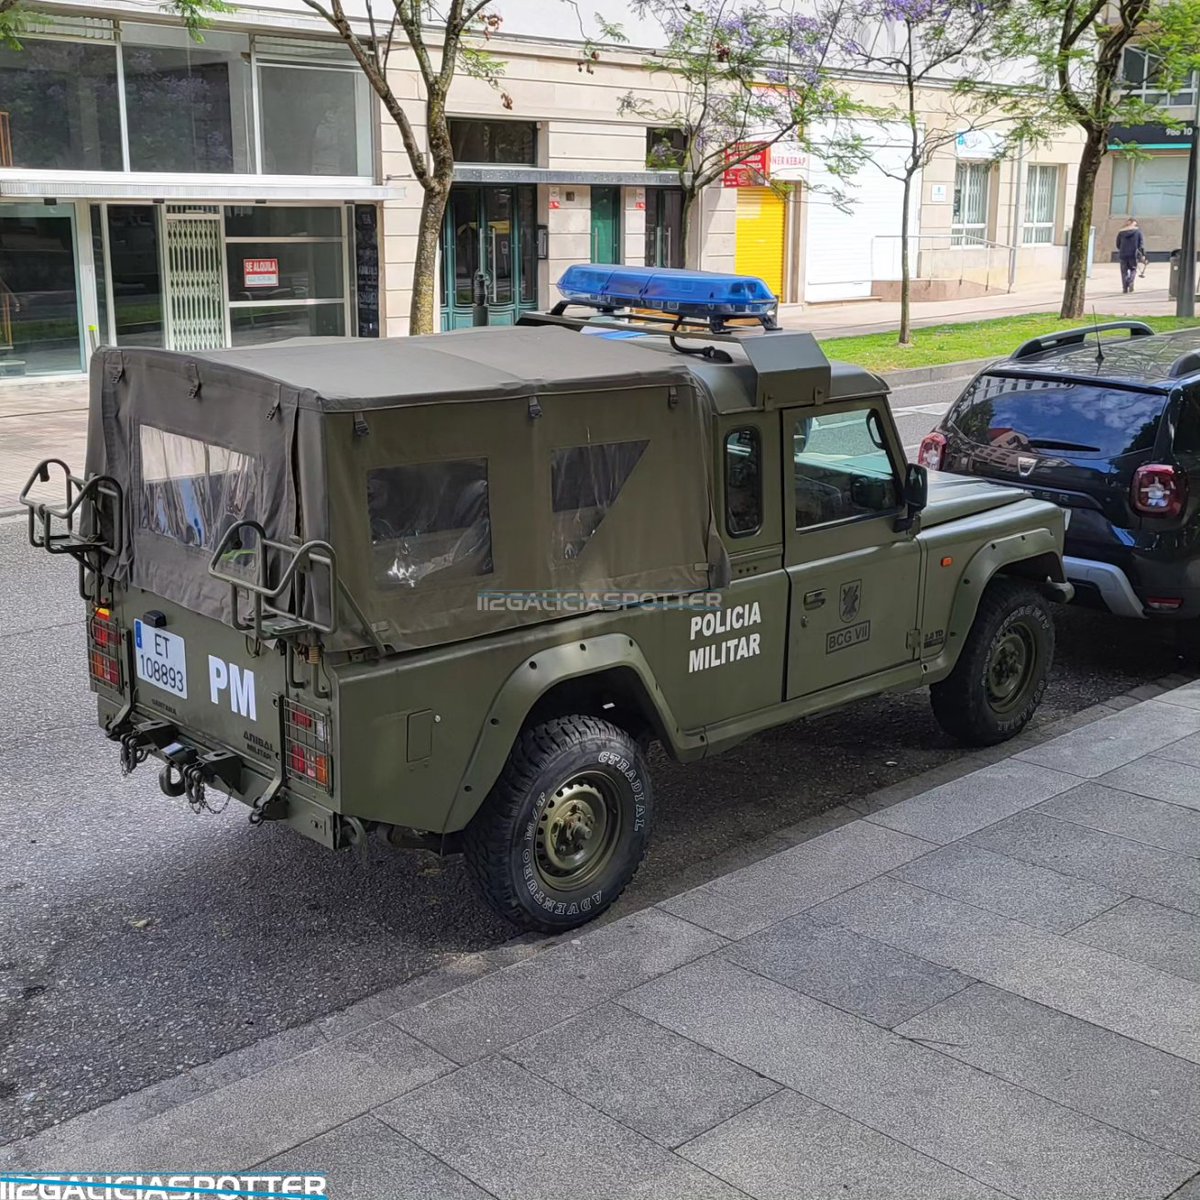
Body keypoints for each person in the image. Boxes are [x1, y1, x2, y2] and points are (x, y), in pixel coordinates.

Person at [1116, 218, 1145, 294]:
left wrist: (1122, 249)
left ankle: (1125, 288)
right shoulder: (1138, 232)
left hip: (1123, 254)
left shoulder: (1121, 232)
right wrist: (1142, 255)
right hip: (1133, 254)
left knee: (1124, 272)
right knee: (1133, 269)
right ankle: (1131, 282)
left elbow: (1117, 244)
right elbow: (1141, 245)